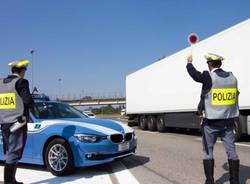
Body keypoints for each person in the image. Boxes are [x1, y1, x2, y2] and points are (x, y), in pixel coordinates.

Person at [186, 53, 240, 184]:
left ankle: (209, 181)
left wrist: (189, 63)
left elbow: (194, 75)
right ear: (220, 64)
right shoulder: (232, 78)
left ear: (210, 64)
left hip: (211, 123)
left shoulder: (208, 76)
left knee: (208, 151)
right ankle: (235, 181)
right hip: (228, 122)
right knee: (232, 151)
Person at [0, 59, 33, 184]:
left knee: (10, 151)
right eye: (24, 69)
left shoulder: (1, 84)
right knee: (14, 152)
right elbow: (27, 101)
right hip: (17, 123)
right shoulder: (21, 82)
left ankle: (12, 180)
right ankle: (9, 181)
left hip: (4, 123)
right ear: (22, 70)